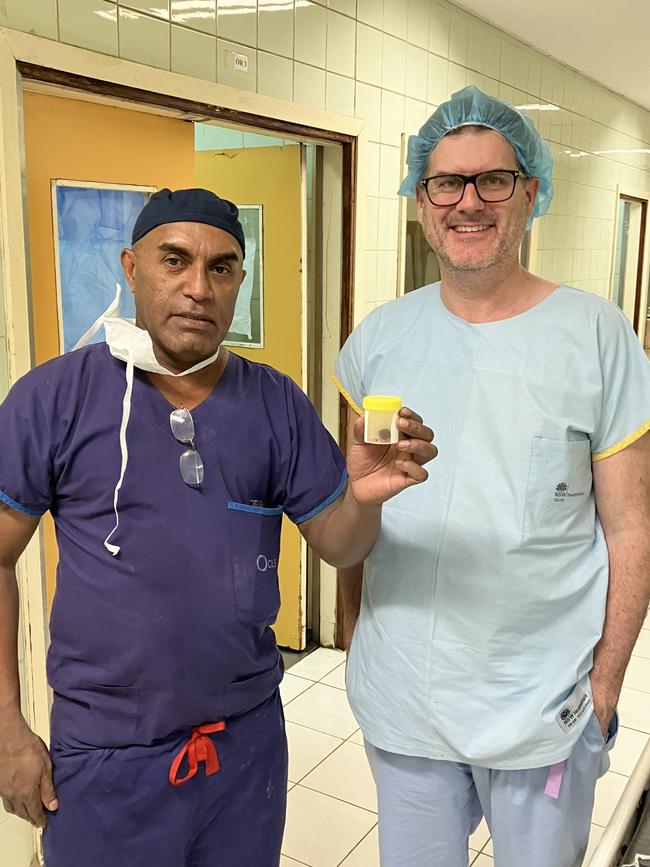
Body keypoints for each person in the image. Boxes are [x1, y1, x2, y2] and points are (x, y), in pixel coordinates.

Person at [0, 188, 437, 867]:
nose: (198, 287)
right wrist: (7, 729)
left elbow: (339, 541)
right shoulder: (55, 399)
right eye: (174, 260)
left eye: (222, 267)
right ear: (131, 266)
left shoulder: (276, 404)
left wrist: (367, 495)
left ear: (241, 279)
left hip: (245, 749)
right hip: (109, 756)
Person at [334, 87, 650, 867]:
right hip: (406, 698)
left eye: (493, 180)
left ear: (531, 191)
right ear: (420, 199)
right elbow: (352, 502)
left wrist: (603, 691)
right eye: (446, 182)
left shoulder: (597, 337)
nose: (467, 202)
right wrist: (352, 637)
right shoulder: (380, 339)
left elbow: (632, 528)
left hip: (542, 706)